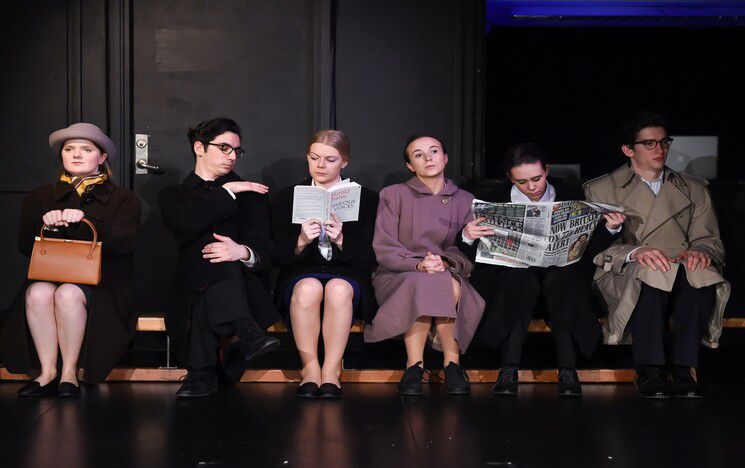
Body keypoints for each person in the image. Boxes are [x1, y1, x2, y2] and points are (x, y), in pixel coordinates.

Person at [584, 111, 729, 399]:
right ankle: (649, 369)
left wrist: (700, 251)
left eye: (664, 142)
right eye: (649, 143)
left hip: (681, 261)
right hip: (628, 265)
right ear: (629, 150)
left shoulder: (694, 188)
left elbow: (709, 237)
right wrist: (637, 251)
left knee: (701, 278)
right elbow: (595, 248)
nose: (659, 150)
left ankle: (685, 367)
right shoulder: (602, 188)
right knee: (650, 277)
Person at [460, 143, 623, 397]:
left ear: (546, 171)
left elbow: (589, 249)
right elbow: (477, 256)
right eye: (522, 182)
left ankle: (568, 371)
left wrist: (610, 229)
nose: (532, 187)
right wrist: (468, 236)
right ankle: (509, 370)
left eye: (537, 178)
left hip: (561, 275)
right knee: (521, 282)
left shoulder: (570, 193)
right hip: (513, 277)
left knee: (560, 281)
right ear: (510, 178)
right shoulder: (494, 199)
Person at [0, 123, 141, 397]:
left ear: (101, 158)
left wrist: (89, 222)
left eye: (86, 149)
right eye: (69, 149)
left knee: (67, 294)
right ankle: (48, 371)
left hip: (104, 282)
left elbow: (126, 243)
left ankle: (69, 373)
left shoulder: (123, 198)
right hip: (51, 274)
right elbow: (24, 246)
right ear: (62, 156)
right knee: (38, 292)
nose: (76, 155)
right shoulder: (40, 196)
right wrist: (50, 225)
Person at [158, 117, 281, 398]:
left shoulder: (252, 194)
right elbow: (184, 225)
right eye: (224, 148)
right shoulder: (174, 195)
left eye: (236, 150)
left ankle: (201, 372)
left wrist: (242, 252)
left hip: (242, 283)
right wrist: (226, 192)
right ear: (199, 147)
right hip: (189, 285)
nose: (232, 156)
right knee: (205, 256)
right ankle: (247, 332)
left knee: (219, 261)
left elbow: (268, 249)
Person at [363, 135, 485, 396]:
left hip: (447, 269)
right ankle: (422, 364)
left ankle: (441, 365)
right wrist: (419, 265)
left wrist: (443, 261)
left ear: (445, 158)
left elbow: (465, 249)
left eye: (433, 151)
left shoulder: (465, 200)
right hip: (398, 272)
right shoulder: (393, 194)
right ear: (409, 165)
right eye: (418, 154)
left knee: (440, 279)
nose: (428, 158)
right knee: (427, 281)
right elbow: (385, 246)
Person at [270, 130, 378, 399]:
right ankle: (310, 369)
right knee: (308, 288)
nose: (320, 165)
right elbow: (278, 257)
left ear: (344, 162)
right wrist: (301, 240)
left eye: (330, 159)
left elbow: (370, 259)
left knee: (339, 289)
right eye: (314, 158)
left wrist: (341, 240)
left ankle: (331, 371)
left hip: (348, 273)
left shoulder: (367, 199)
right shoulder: (285, 197)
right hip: (301, 273)